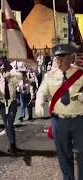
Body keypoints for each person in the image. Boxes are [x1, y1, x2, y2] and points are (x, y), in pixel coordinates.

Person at [35, 44, 83, 180]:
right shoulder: (49, 76)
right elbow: (41, 92)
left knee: (81, 154)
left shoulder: (80, 73)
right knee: (63, 154)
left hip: (79, 120)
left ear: (71, 58)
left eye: (66, 59)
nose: (62, 62)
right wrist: (38, 105)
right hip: (59, 121)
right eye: (59, 59)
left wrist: (81, 97)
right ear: (55, 59)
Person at [0, 58, 23, 154]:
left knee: (9, 124)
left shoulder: (12, 77)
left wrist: (12, 75)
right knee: (7, 125)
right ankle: (12, 144)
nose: (0, 69)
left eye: (2, 66)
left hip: (12, 103)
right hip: (2, 105)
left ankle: (12, 145)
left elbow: (20, 81)